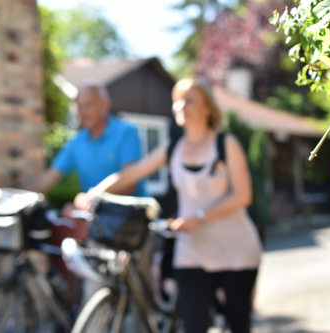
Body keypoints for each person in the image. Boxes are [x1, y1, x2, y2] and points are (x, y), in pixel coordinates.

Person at [75, 78, 262, 333]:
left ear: (207, 107)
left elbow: (243, 196)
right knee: (193, 325)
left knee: (238, 323)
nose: (180, 106)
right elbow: (132, 174)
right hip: (192, 249)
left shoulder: (226, 145)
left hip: (234, 249)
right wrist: (94, 194)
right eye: (177, 101)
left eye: (189, 101)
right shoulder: (172, 149)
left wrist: (200, 217)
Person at [25, 80, 148, 310]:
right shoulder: (77, 142)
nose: (83, 112)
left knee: (138, 300)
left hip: (134, 226)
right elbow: (49, 178)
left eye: (89, 105)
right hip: (100, 227)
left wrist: (89, 199)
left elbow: (129, 181)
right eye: (80, 106)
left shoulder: (126, 132)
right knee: (94, 297)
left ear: (106, 104)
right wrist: (15, 197)